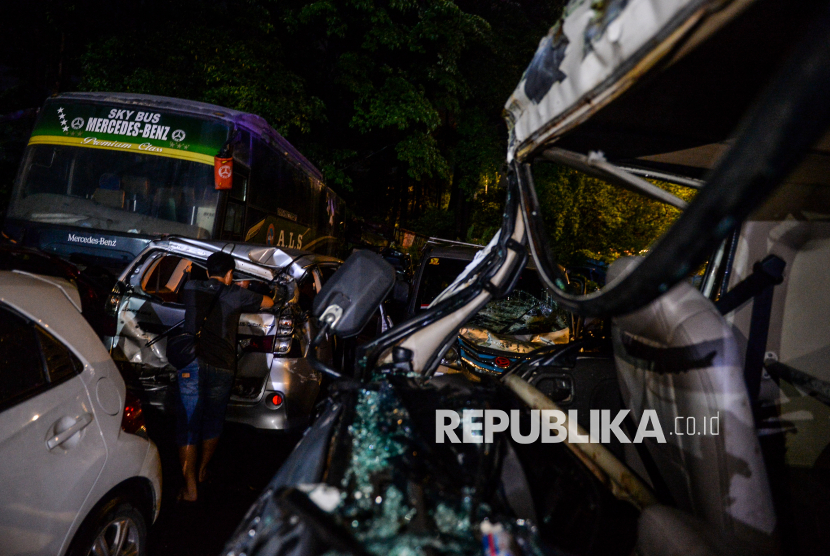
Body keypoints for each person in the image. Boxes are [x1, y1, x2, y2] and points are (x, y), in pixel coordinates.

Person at [176, 252, 274, 502]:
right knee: (213, 420)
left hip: (192, 363)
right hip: (223, 367)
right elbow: (269, 303)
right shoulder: (237, 294)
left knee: (189, 423)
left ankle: (189, 489)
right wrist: (244, 286)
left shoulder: (191, 286)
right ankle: (202, 471)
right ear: (230, 274)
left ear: (208, 271)